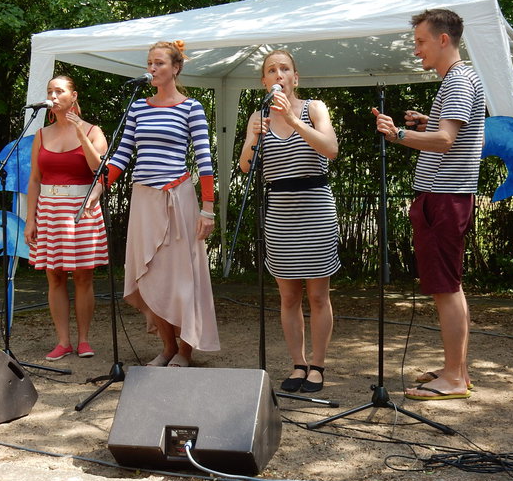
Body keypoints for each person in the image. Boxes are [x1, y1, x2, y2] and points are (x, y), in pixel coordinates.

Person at [373, 9, 485, 400]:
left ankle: (454, 378)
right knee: (449, 286)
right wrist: (426, 121)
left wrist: (398, 133)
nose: (416, 49)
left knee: (446, 288)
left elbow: (445, 142)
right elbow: (450, 131)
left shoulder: (457, 81)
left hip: (443, 198)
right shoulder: (463, 79)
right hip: (446, 196)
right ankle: (457, 369)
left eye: (421, 41)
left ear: (442, 40)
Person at [93, 40, 220, 367]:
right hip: (144, 199)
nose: (152, 68)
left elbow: (205, 160)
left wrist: (208, 209)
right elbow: (121, 155)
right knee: (150, 276)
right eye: (150, 63)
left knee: (182, 277)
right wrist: (99, 188)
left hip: (178, 199)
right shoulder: (137, 107)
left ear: (176, 68)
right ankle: (166, 347)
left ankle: (185, 350)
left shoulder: (191, 108)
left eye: (160, 63)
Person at [239, 49, 340, 393]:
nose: (278, 74)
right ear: (264, 81)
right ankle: (297, 363)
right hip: (280, 212)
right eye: (271, 70)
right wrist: (253, 135)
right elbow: (246, 168)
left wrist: (295, 122)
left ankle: (318, 365)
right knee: (288, 298)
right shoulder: (259, 116)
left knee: (317, 296)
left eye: (285, 69)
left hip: (315, 209)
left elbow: (330, 149)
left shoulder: (314, 108)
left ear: (295, 78)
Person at [24, 75, 109, 361]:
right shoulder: (41, 135)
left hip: (81, 208)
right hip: (48, 209)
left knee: (83, 277)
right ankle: (63, 341)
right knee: (55, 277)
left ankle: (84, 340)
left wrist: (81, 134)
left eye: (59, 90)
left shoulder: (95, 131)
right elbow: (35, 180)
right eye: (50, 90)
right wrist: (30, 219)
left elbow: (100, 170)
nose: (53, 95)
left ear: (73, 96)